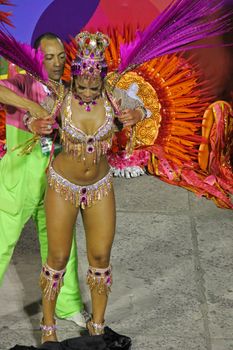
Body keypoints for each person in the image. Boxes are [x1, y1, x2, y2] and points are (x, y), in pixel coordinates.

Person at [30, 31, 146, 343]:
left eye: (94, 87)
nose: (88, 92)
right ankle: (48, 326)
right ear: (75, 78)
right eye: (82, 86)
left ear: (103, 80)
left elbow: (142, 108)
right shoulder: (59, 97)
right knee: (56, 258)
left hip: (100, 187)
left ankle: (97, 326)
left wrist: (137, 114)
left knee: (100, 256)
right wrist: (35, 124)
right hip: (63, 186)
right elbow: (33, 114)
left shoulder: (112, 97)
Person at [0, 33, 87, 327]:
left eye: (61, 57)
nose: (56, 63)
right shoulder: (21, 81)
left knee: (62, 246)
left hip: (56, 180)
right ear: (36, 57)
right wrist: (32, 109)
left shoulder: (67, 90)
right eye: (48, 57)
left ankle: (68, 305)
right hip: (18, 181)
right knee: (1, 244)